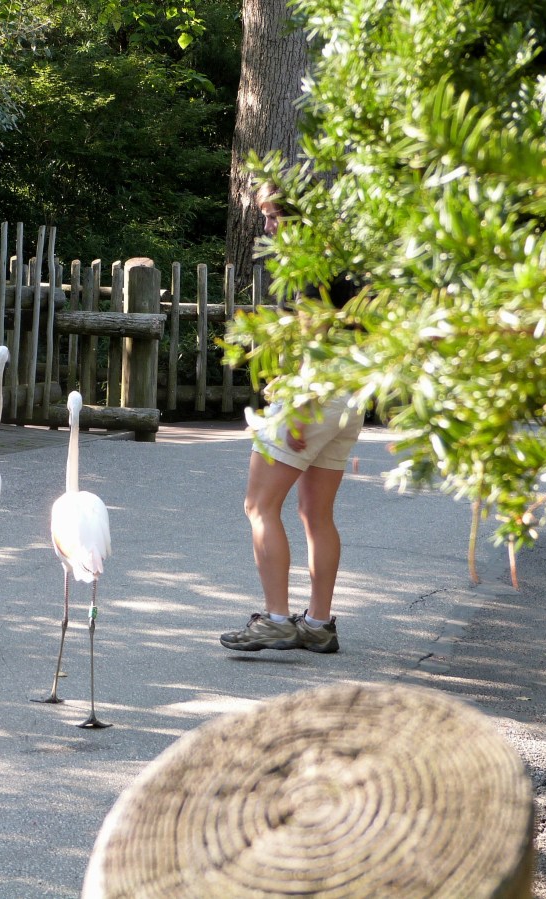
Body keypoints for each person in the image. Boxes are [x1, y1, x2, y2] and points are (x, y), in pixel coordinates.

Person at [220, 180, 361, 654]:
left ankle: (276, 619)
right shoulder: (347, 264)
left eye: (275, 215)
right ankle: (318, 624)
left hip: (315, 396)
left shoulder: (309, 265)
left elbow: (315, 338)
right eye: (265, 215)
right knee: (315, 513)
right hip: (350, 398)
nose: (267, 225)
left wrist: (298, 409)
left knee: (259, 506)